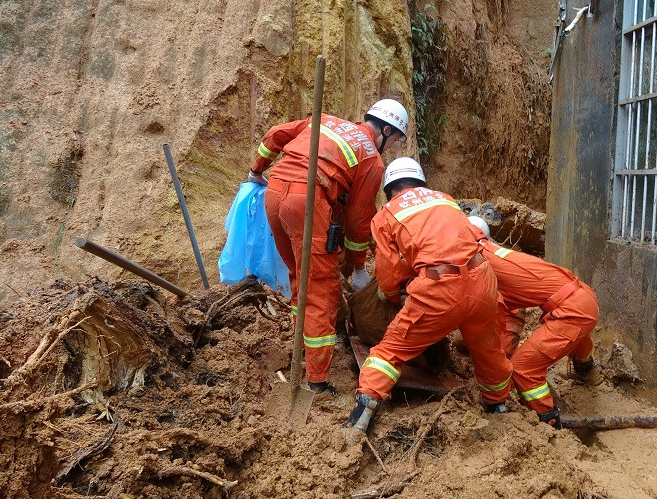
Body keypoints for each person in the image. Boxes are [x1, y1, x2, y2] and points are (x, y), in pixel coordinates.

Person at [247, 99, 409, 394]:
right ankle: (317, 379)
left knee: (300, 276)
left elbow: (274, 135)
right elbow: (360, 221)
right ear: (386, 129)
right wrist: (358, 265)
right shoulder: (371, 158)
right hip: (307, 201)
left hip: (275, 192)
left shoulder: (325, 122)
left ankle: (302, 347)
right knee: (321, 289)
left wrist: (257, 170)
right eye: (396, 139)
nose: (394, 146)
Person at [344, 158, 513, 432]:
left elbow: (386, 274)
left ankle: (359, 419)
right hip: (482, 279)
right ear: (421, 183)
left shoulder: (386, 214)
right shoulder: (445, 200)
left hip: (440, 289)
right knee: (488, 351)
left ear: (388, 190)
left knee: (390, 351)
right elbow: (459, 241)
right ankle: (498, 407)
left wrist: (390, 295)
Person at [466, 216, 602, 429]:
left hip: (572, 309)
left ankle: (549, 422)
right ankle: (586, 369)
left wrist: (504, 364)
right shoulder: (499, 255)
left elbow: (501, 320)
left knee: (523, 368)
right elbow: (512, 312)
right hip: (582, 297)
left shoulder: (479, 263)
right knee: (575, 332)